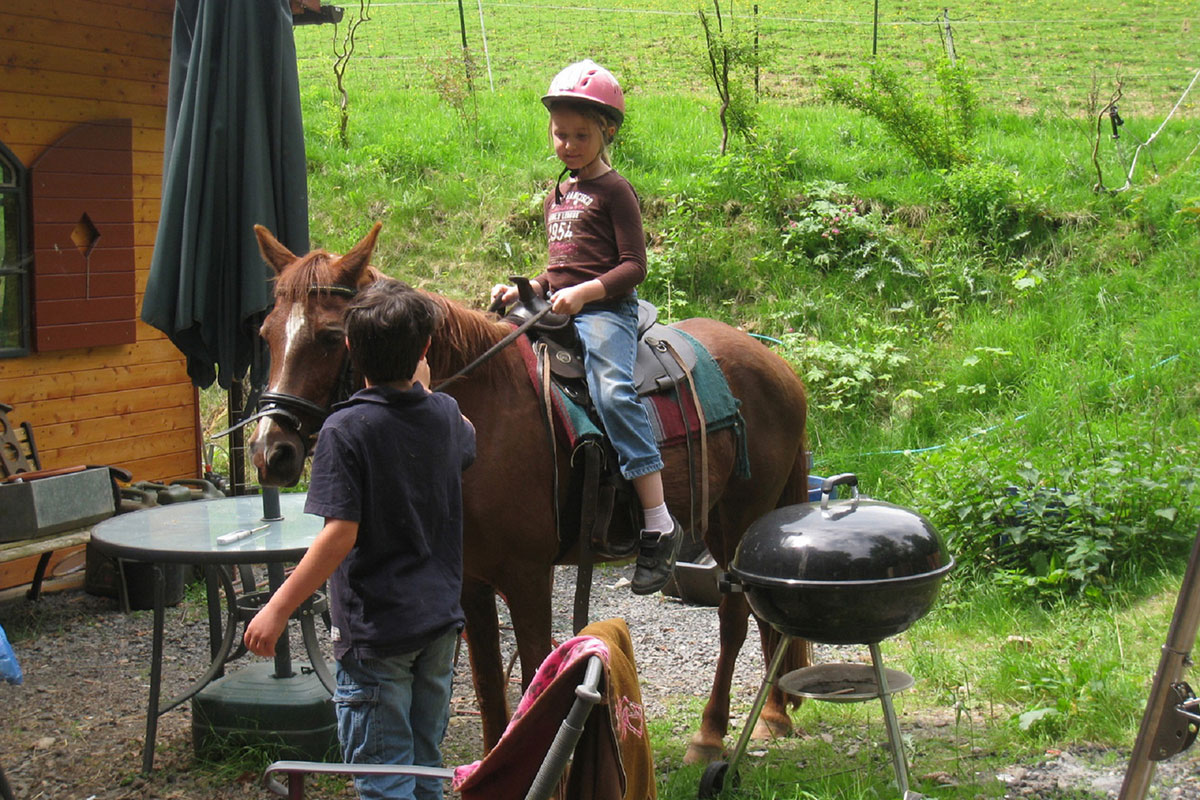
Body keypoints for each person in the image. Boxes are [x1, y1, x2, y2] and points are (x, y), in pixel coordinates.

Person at [244, 279, 476, 800]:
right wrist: (426, 387)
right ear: (423, 352)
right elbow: (466, 437)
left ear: (349, 349)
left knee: (383, 779)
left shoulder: (345, 430)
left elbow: (339, 535)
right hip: (438, 628)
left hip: (377, 639)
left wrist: (278, 608)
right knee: (424, 767)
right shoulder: (442, 412)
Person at [491, 59, 681, 596]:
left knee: (614, 391)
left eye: (581, 135)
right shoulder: (559, 195)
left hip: (605, 310)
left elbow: (633, 266)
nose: (569, 145)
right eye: (560, 134)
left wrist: (585, 294)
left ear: (608, 132)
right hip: (560, 302)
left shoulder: (616, 192)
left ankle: (658, 520)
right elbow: (560, 267)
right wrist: (527, 287)